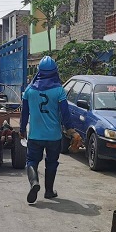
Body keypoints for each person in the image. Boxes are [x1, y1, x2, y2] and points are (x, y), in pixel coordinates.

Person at [19, 56, 75, 203]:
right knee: (51, 162)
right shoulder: (59, 90)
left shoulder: (29, 90)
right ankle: (49, 191)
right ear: (55, 71)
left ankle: (34, 182)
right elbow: (65, 113)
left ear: (39, 71)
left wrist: (22, 129)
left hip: (35, 135)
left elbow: (24, 113)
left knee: (32, 160)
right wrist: (70, 130)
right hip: (54, 136)